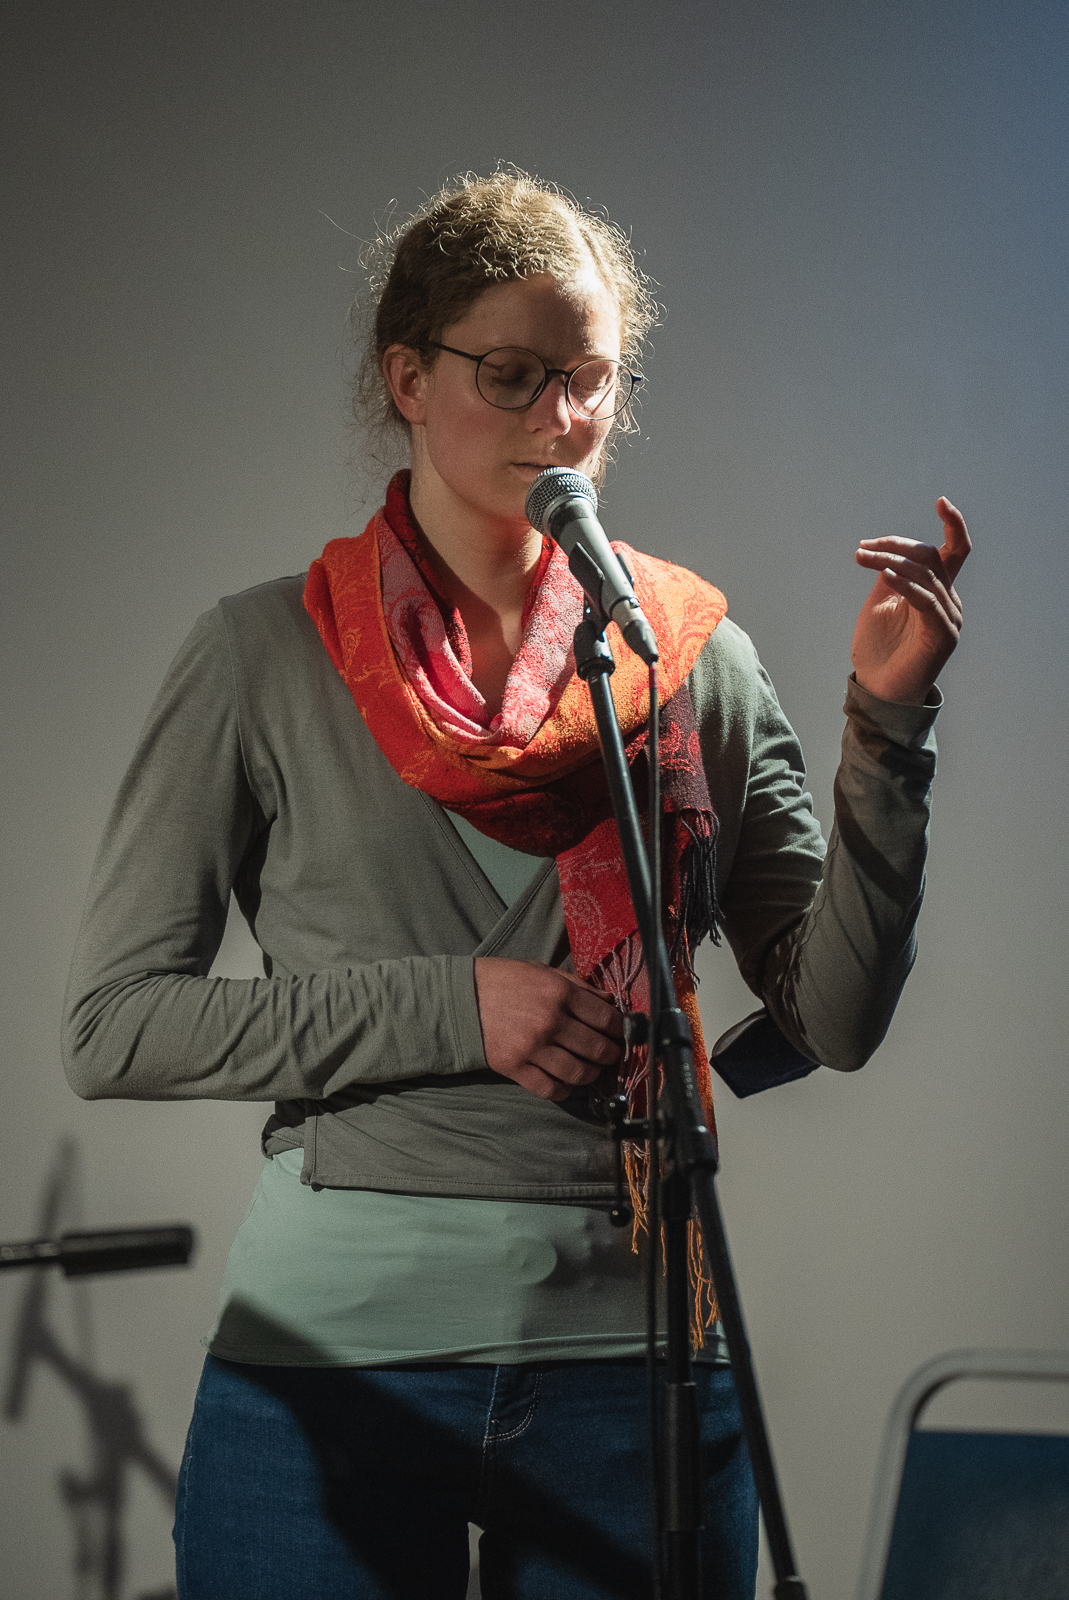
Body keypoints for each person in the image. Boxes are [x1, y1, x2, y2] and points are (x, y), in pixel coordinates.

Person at [62, 170, 970, 1600]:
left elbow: (834, 1018)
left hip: (639, 1375)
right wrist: (455, 1009)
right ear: (408, 379)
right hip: (326, 1377)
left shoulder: (688, 660)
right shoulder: (261, 656)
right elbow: (114, 1027)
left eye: (591, 381)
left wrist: (889, 724)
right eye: (514, 376)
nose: (561, 418)